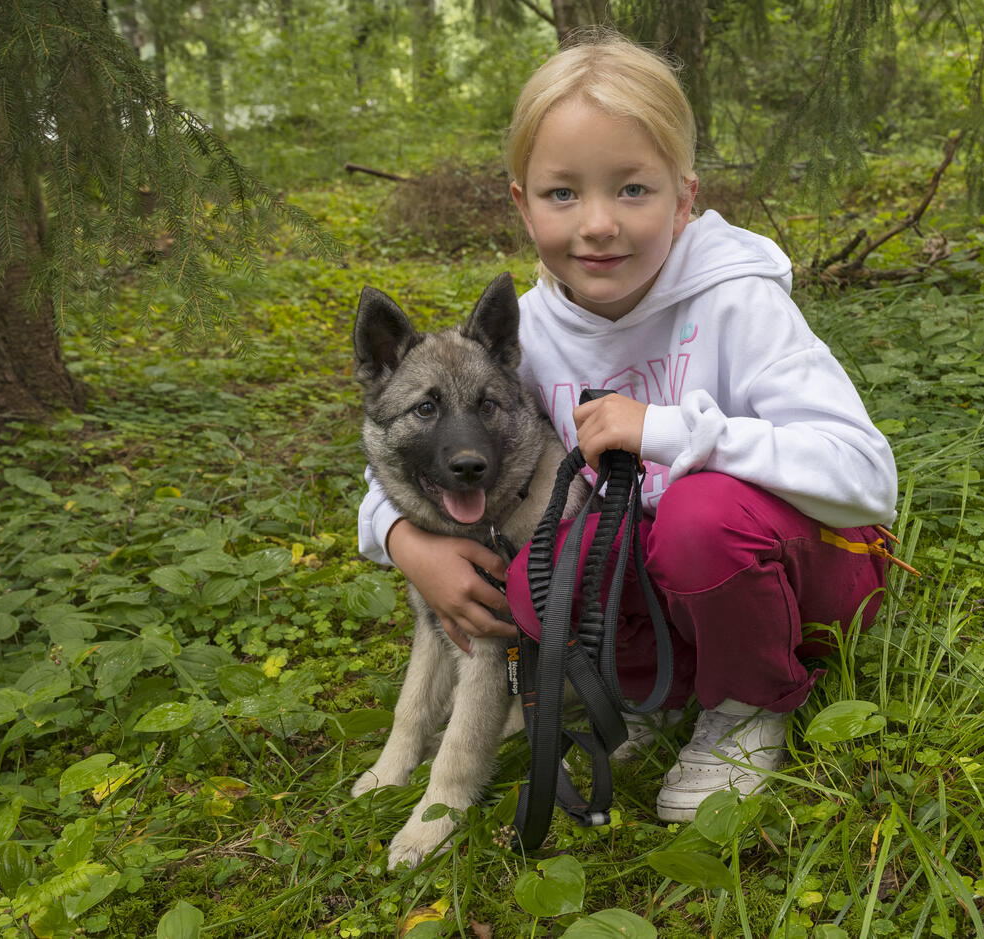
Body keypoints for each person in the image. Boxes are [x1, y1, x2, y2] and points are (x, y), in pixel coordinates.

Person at [358, 29, 898, 822]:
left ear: (685, 196)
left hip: (815, 574)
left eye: (633, 190)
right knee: (552, 552)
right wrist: (408, 543)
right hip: (670, 587)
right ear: (523, 203)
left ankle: (749, 703)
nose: (599, 223)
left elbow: (867, 476)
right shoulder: (522, 343)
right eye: (564, 193)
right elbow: (407, 460)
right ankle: (665, 689)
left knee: (694, 512)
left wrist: (674, 432)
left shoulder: (738, 302)